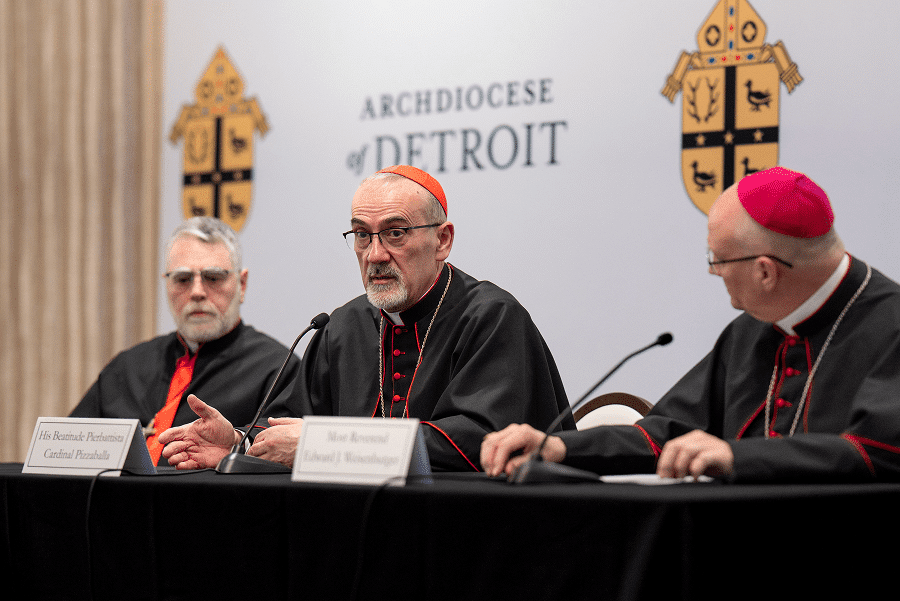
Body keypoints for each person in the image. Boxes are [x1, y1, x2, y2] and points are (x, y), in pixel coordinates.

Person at [482, 166, 900, 482]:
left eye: (716, 259)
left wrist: (737, 457)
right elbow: (666, 431)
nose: (714, 272)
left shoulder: (890, 323)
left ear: (766, 272)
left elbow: (877, 452)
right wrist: (557, 446)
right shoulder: (754, 328)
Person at [160, 165, 573, 471]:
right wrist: (237, 442)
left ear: (442, 240)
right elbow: (289, 426)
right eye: (362, 235)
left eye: (395, 233)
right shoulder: (342, 326)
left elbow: (478, 443)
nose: (375, 254)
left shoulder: (491, 317)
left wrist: (324, 445)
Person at [70, 217, 299, 465]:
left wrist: (236, 442)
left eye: (213, 277)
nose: (197, 292)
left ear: (241, 285)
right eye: (182, 279)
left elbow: (283, 460)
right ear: (167, 284)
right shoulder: (127, 367)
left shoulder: (278, 368)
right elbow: (68, 454)